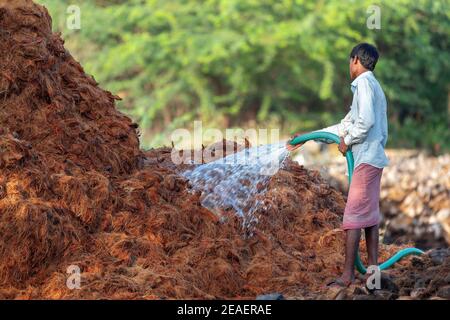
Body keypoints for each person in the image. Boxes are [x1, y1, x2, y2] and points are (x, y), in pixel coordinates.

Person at [288, 43, 389, 287]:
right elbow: (344, 126)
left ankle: (347, 275)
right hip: (373, 159)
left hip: (366, 159)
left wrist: (347, 141)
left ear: (355, 60)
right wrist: (309, 136)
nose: (349, 66)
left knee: (354, 216)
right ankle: (372, 271)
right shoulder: (371, 86)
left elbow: (363, 123)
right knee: (370, 217)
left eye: (349, 61)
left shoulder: (364, 83)